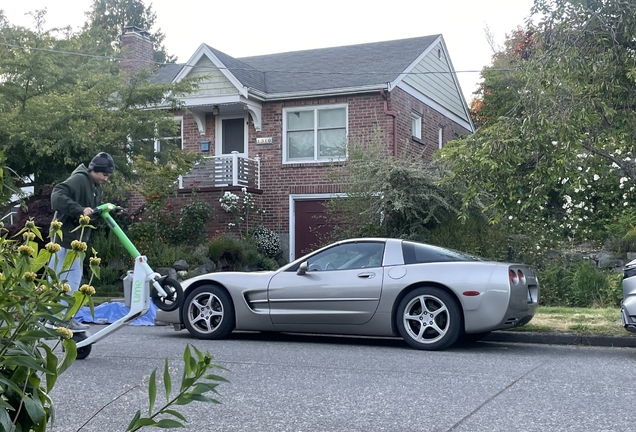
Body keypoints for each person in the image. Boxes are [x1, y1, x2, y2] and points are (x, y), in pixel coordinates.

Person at [49, 152, 115, 330]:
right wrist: (79, 210)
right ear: (94, 170)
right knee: (59, 279)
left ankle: (65, 317)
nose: (106, 179)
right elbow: (56, 195)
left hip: (77, 242)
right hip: (63, 239)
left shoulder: (95, 186)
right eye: (104, 175)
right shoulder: (79, 179)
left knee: (74, 280)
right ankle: (54, 317)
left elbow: (90, 211)